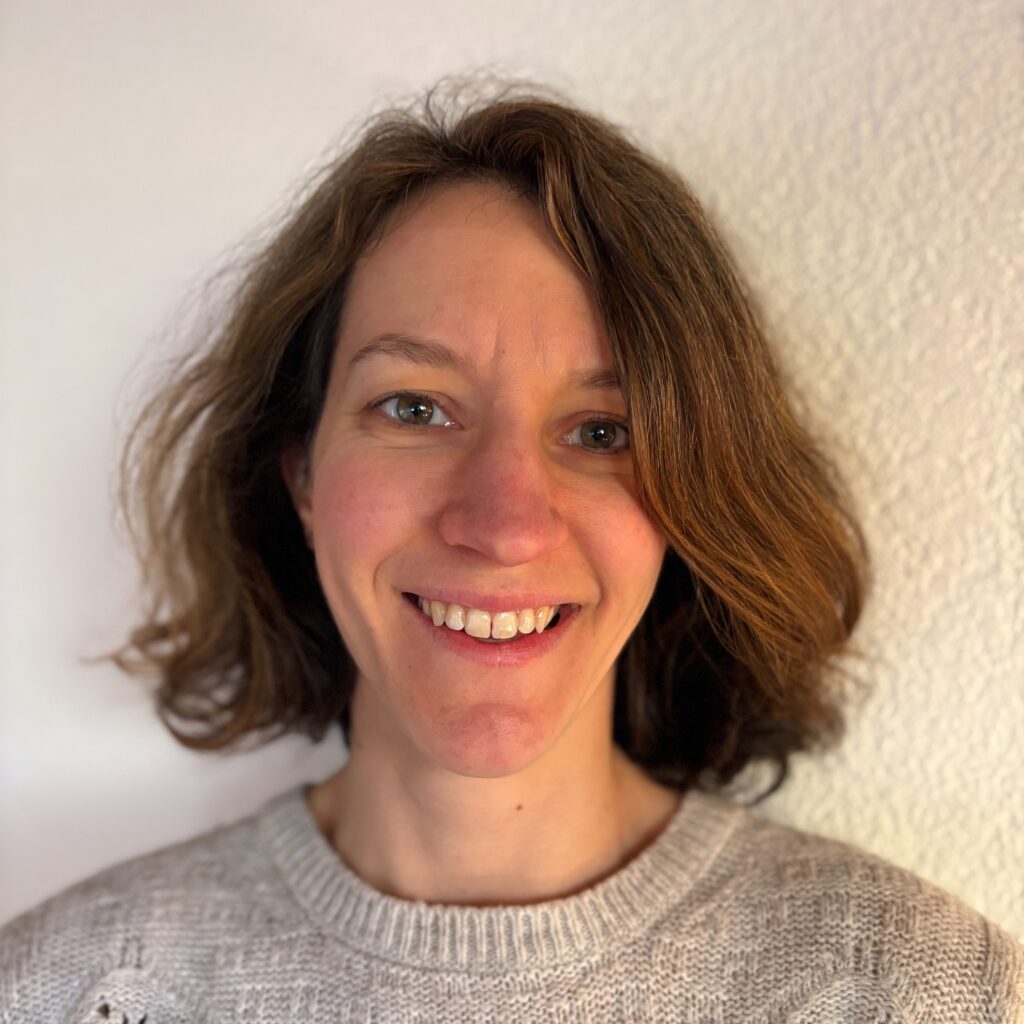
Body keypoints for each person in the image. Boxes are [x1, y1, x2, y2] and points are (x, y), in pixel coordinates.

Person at [1, 81, 1021, 1023]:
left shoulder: (918, 991)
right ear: (301, 474)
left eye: (601, 431)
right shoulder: (61, 990)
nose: (506, 524)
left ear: (695, 498)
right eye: (416, 408)